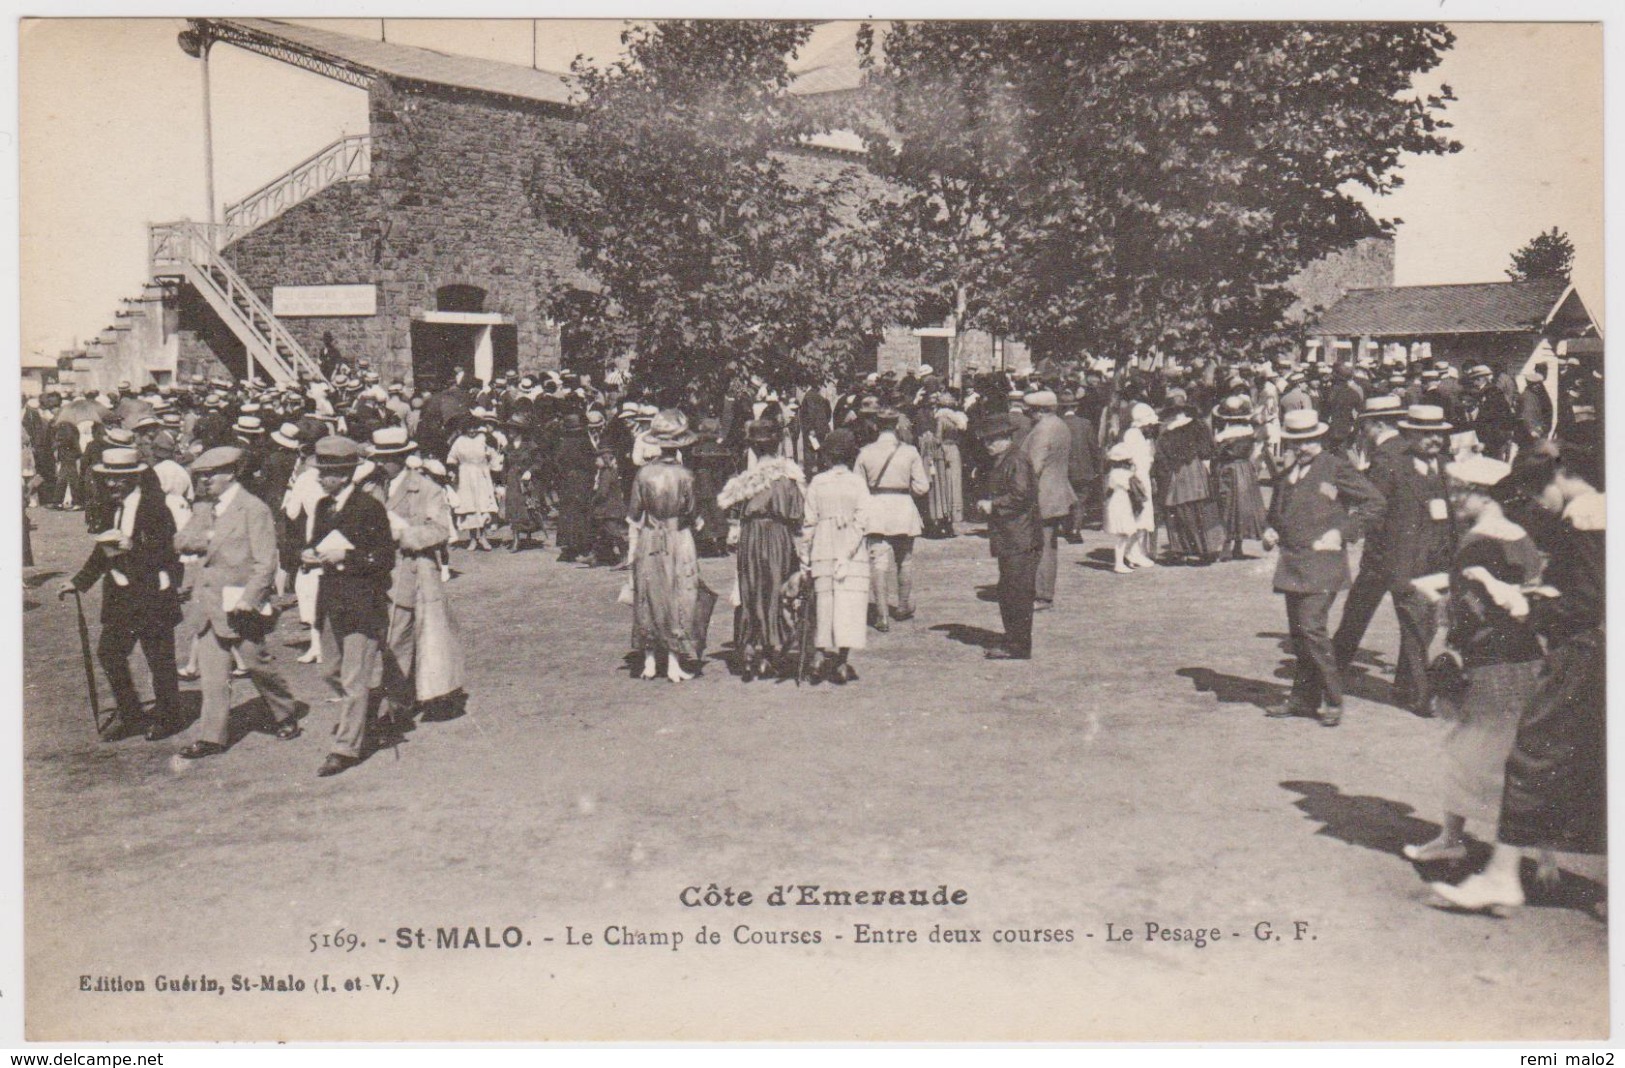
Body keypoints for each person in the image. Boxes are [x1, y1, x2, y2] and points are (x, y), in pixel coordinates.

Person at [1431, 445, 1605, 914]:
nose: (1540, 504)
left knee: (1533, 753)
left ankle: (1502, 877)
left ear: (1563, 474)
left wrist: (1530, 604)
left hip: (1587, 653)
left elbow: (1589, 603)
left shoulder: (1588, 513)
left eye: (1537, 491)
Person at [1399, 454, 1544, 865]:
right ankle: (1467, 839)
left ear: (1483, 495)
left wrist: (1441, 611)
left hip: (1488, 662)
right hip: (1525, 658)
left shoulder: (1477, 541)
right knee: (1507, 753)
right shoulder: (1519, 535)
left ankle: (1480, 851)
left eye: (1463, 491)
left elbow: (1471, 608)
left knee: (1472, 754)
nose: (1456, 498)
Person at [173, 446, 304, 759]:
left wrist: (250, 598)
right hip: (208, 603)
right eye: (201, 476)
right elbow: (181, 540)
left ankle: (284, 712)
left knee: (257, 663)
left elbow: (265, 562)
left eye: (211, 476)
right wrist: (205, 537)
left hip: (239, 604)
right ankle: (211, 737)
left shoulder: (253, 509)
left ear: (230, 474)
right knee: (213, 673)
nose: (204, 482)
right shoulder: (204, 508)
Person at [1262, 409, 1385, 727]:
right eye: (1295, 441)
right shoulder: (1290, 470)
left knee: (1312, 630)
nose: (1301, 447)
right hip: (1293, 563)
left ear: (1319, 437)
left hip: (1323, 564)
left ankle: (1333, 699)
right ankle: (1302, 699)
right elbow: (1277, 510)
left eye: (1307, 441)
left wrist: (1341, 532)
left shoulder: (1335, 466)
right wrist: (1271, 528)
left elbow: (1374, 503)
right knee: (1300, 634)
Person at [57, 448, 184, 742]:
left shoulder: (155, 508)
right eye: (108, 480)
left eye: (119, 480)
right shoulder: (110, 508)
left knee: (159, 659)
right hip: (121, 597)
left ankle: (169, 717)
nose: (112, 485)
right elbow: (102, 551)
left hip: (153, 595)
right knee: (110, 654)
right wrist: (79, 582)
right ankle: (132, 715)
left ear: (134, 478)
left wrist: (133, 547)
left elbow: (170, 553)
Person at [1348, 404, 1458, 715]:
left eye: (1438, 434)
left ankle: (1405, 686)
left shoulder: (1447, 465)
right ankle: (1420, 697)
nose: (1433, 440)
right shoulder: (1393, 466)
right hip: (1402, 558)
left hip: (1437, 559)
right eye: (1425, 434)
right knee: (1412, 623)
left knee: (1425, 625)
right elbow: (1375, 509)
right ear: (1409, 435)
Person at [304, 436, 396, 777]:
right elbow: (314, 543)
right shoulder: (322, 507)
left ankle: (345, 749)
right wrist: (309, 553)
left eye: (325, 473)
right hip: (331, 601)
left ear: (343, 475)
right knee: (329, 670)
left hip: (362, 602)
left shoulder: (369, 507)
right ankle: (376, 712)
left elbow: (384, 558)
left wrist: (348, 556)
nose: (318, 477)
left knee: (354, 679)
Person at [368, 427, 461, 734]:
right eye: (379, 458)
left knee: (400, 638)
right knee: (389, 638)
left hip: (413, 572)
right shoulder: (372, 490)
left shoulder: (425, 489)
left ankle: (398, 707)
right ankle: (400, 702)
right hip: (379, 573)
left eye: (388, 459)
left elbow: (440, 531)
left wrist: (402, 534)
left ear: (402, 458)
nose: (382, 464)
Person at [719, 418, 806, 681]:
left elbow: (732, 517)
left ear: (753, 449)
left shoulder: (744, 482)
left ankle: (749, 650)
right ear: (778, 444)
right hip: (777, 535)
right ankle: (772, 651)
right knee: (776, 588)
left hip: (751, 538)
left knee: (751, 588)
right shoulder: (789, 479)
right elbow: (797, 516)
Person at [628, 411, 704, 682]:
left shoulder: (643, 474)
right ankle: (673, 661)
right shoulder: (685, 475)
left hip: (650, 535)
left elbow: (635, 512)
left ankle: (649, 661)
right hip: (677, 535)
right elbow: (692, 511)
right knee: (679, 594)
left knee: (649, 592)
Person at [798, 428, 870, 683]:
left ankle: (818, 655)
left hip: (823, 546)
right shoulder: (858, 483)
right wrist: (848, 551)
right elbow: (862, 521)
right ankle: (841, 661)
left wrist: (805, 559)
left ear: (827, 457)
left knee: (823, 602)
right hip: (850, 546)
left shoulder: (818, 482)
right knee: (849, 604)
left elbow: (809, 523)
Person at [856, 406, 930, 632]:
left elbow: (858, 488)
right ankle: (903, 606)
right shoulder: (909, 452)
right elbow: (922, 487)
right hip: (903, 508)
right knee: (904, 560)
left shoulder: (865, 452)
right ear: (897, 425)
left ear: (876, 426)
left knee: (878, 563)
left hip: (876, 509)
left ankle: (881, 616)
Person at [978, 413, 1042, 660]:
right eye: (986, 441)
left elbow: (1021, 495)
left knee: (1017, 592)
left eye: (993, 440)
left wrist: (993, 505)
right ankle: (1014, 639)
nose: (988, 445)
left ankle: (1018, 645)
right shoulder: (1007, 459)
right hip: (1013, 536)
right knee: (1010, 590)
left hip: (1020, 537)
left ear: (1006, 438)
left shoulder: (1015, 460)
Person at [1020, 390, 1077, 608]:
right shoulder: (1060, 425)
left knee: (1041, 546)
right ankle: (1042, 590)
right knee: (1048, 545)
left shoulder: (1043, 430)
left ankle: (1042, 593)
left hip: (1042, 495)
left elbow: (1034, 465)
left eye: (1032, 412)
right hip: (1057, 492)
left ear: (1040, 411)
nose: (1030, 416)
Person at [1154, 404, 1223, 565]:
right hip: (1195, 470)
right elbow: (1208, 451)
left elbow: (1161, 459)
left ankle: (1180, 549)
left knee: (1177, 510)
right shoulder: (1198, 425)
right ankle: (1206, 549)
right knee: (1200, 508)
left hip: (1175, 473)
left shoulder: (1165, 432)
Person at [1211, 395, 1268, 560]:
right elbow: (1256, 454)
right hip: (1245, 469)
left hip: (1228, 470)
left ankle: (1226, 546)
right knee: (1243, 506)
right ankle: (1238, 546)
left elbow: (1216, 454)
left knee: (1227, 506)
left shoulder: (1222, 435)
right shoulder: (1250, 432)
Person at [447, 413, 499, 550]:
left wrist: (495, 471)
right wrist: (452, 470)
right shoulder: (459, 441)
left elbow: (494, 456)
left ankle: (483, 537)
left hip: (481, 475)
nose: (472, 431)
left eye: (474, 428)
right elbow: (452, 458)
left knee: (482, 505)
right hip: (465, 476)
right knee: (469, 506)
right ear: (465, 429)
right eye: (469, 428)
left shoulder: (483, 439)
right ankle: (472, 539)